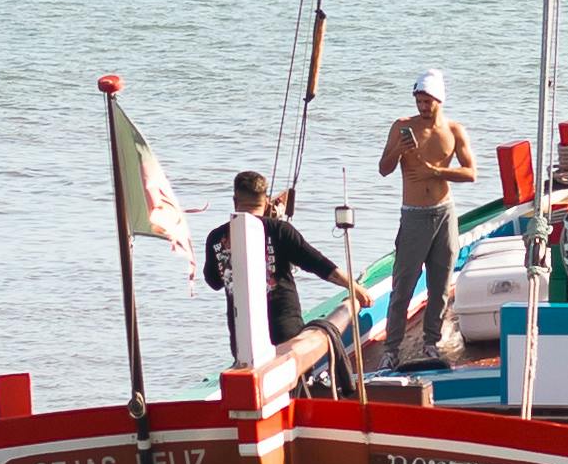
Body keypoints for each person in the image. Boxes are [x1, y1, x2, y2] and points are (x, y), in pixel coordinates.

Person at [376, 67, 476, 365]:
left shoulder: (455, 130)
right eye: (418, 101)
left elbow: (471, 173)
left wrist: (438, 172)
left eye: (427, 102)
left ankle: (431, 341)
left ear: (439, 100)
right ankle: (391, 350)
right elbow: (383, 168)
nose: (422, 107)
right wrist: (398, 149)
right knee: (403, 284)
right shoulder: (401, 127)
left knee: (441, 283)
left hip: (444, 213)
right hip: (414, 216)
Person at [204, 164, 344, 372]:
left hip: (243, 335)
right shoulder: (280, 230)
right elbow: (318, 264)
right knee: (292, 383)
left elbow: (213, 282)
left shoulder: (217, 237)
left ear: (235, 200)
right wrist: (355, 288)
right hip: (285, 326)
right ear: (266, 200)